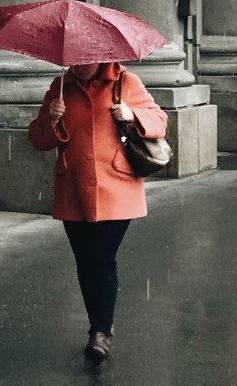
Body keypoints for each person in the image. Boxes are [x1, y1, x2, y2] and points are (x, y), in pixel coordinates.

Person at [28, 61, 168, 362]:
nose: (78, 65)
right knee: (85, 261)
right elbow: (37, 138)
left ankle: (101, 332)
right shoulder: (61, 86)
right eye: (74, 60)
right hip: (74, 187)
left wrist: (133, 115)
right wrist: (51, 121)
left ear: (99, 55)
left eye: (85, 59)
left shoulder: (125, 81)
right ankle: (98, 325)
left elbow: (159, 119)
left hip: (116, 187)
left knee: (101, 259)